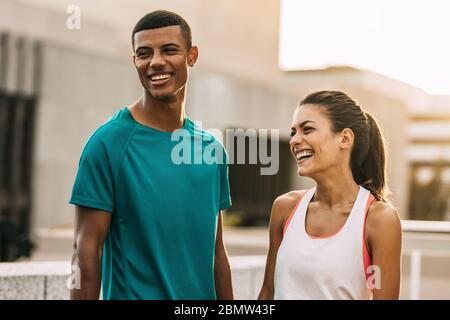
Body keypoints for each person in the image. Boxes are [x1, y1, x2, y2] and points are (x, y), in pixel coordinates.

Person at [69, 10, 233, 300]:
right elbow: (85, 252)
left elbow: (217, 251)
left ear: (191, 56)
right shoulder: (107, 144)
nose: (155, 62)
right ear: (135, 61)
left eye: (169, 50)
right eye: (144, 53)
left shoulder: (212, 151)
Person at [258, 90, 402, 300]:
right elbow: (267, 294)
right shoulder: (285, 208)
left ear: (344, 138)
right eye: (293, 133)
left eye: (307, 130)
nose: (294, 141)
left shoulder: (378, 220)